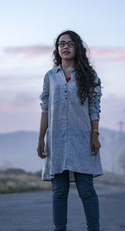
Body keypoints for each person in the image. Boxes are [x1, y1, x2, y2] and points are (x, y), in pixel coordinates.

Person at [37, 30, 103, 231]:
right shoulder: (50, 77)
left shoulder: (89, 76)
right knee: (59, 191)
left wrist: (95, 134)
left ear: (77, 48)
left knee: (86, 189)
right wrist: (41, 138)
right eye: (61, 43)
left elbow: (94, 107)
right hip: (56, 139)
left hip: (81, 138)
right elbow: (45, 108)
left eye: (70, 43)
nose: (65, 46)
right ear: (57, 49)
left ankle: (93, 228)